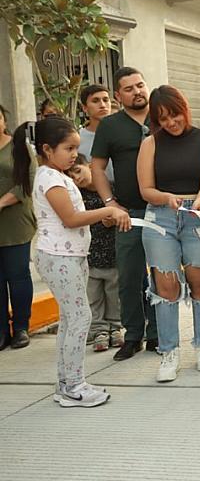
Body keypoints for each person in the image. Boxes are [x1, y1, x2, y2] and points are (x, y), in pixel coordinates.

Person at [12, 117, 130, 407]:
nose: (74, 153)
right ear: (47, 149)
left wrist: (100, 216)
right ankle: (74, 385)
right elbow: (70, 218)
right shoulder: (50, 178)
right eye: (68, 148)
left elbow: (75, 218)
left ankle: (67, 382)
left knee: (71, 318)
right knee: (80, 318)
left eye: (76, 147)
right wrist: (108, 211)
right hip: (59, 257)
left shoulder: (57, 175)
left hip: (70, 256)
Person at [137, 85, 200, 383]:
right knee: (166, 285)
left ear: (184, 109)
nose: (171, 123)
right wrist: (165, 198)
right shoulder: (150, 144)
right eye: (163, 119)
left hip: (197, 214)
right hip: (161, 218)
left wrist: (198, 200)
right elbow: (145, 188)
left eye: (175, 115)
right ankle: (169, 352)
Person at [91, 67, 158, 361]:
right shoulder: (110, 126)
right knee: (129, 277)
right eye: (129, 89)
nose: (137, 92)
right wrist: (110, 202)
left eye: (140, 85)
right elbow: (96, 167)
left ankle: (159, 334)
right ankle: (133, 336)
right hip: (128, 214)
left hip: (161, 211)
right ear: (118, 96)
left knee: (162, 275)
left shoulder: (162, 116)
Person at [66, 155, 123, 352]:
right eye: (71, 177)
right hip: (89, 253)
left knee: (113, 293)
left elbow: (123, 213)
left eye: (78, 171)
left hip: (113, 251)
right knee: (93, 295)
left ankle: (115, 328)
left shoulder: (110, 189)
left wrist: (113, 220)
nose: (77, 179)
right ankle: (99, 330)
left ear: (89, 166)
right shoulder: (76, 196)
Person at [0, 104, 36, 350]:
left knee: (18, 275)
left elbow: (27, 181)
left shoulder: (19, 146)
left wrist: (1, 203)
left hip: (15, 221)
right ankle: (2, 331)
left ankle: (21, 327)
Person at [78, 84, 115, 184]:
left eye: (106, 100)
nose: (102, 105)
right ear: (85, 108)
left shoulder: (124, 132)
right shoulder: (77, 139)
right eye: (95, 101)